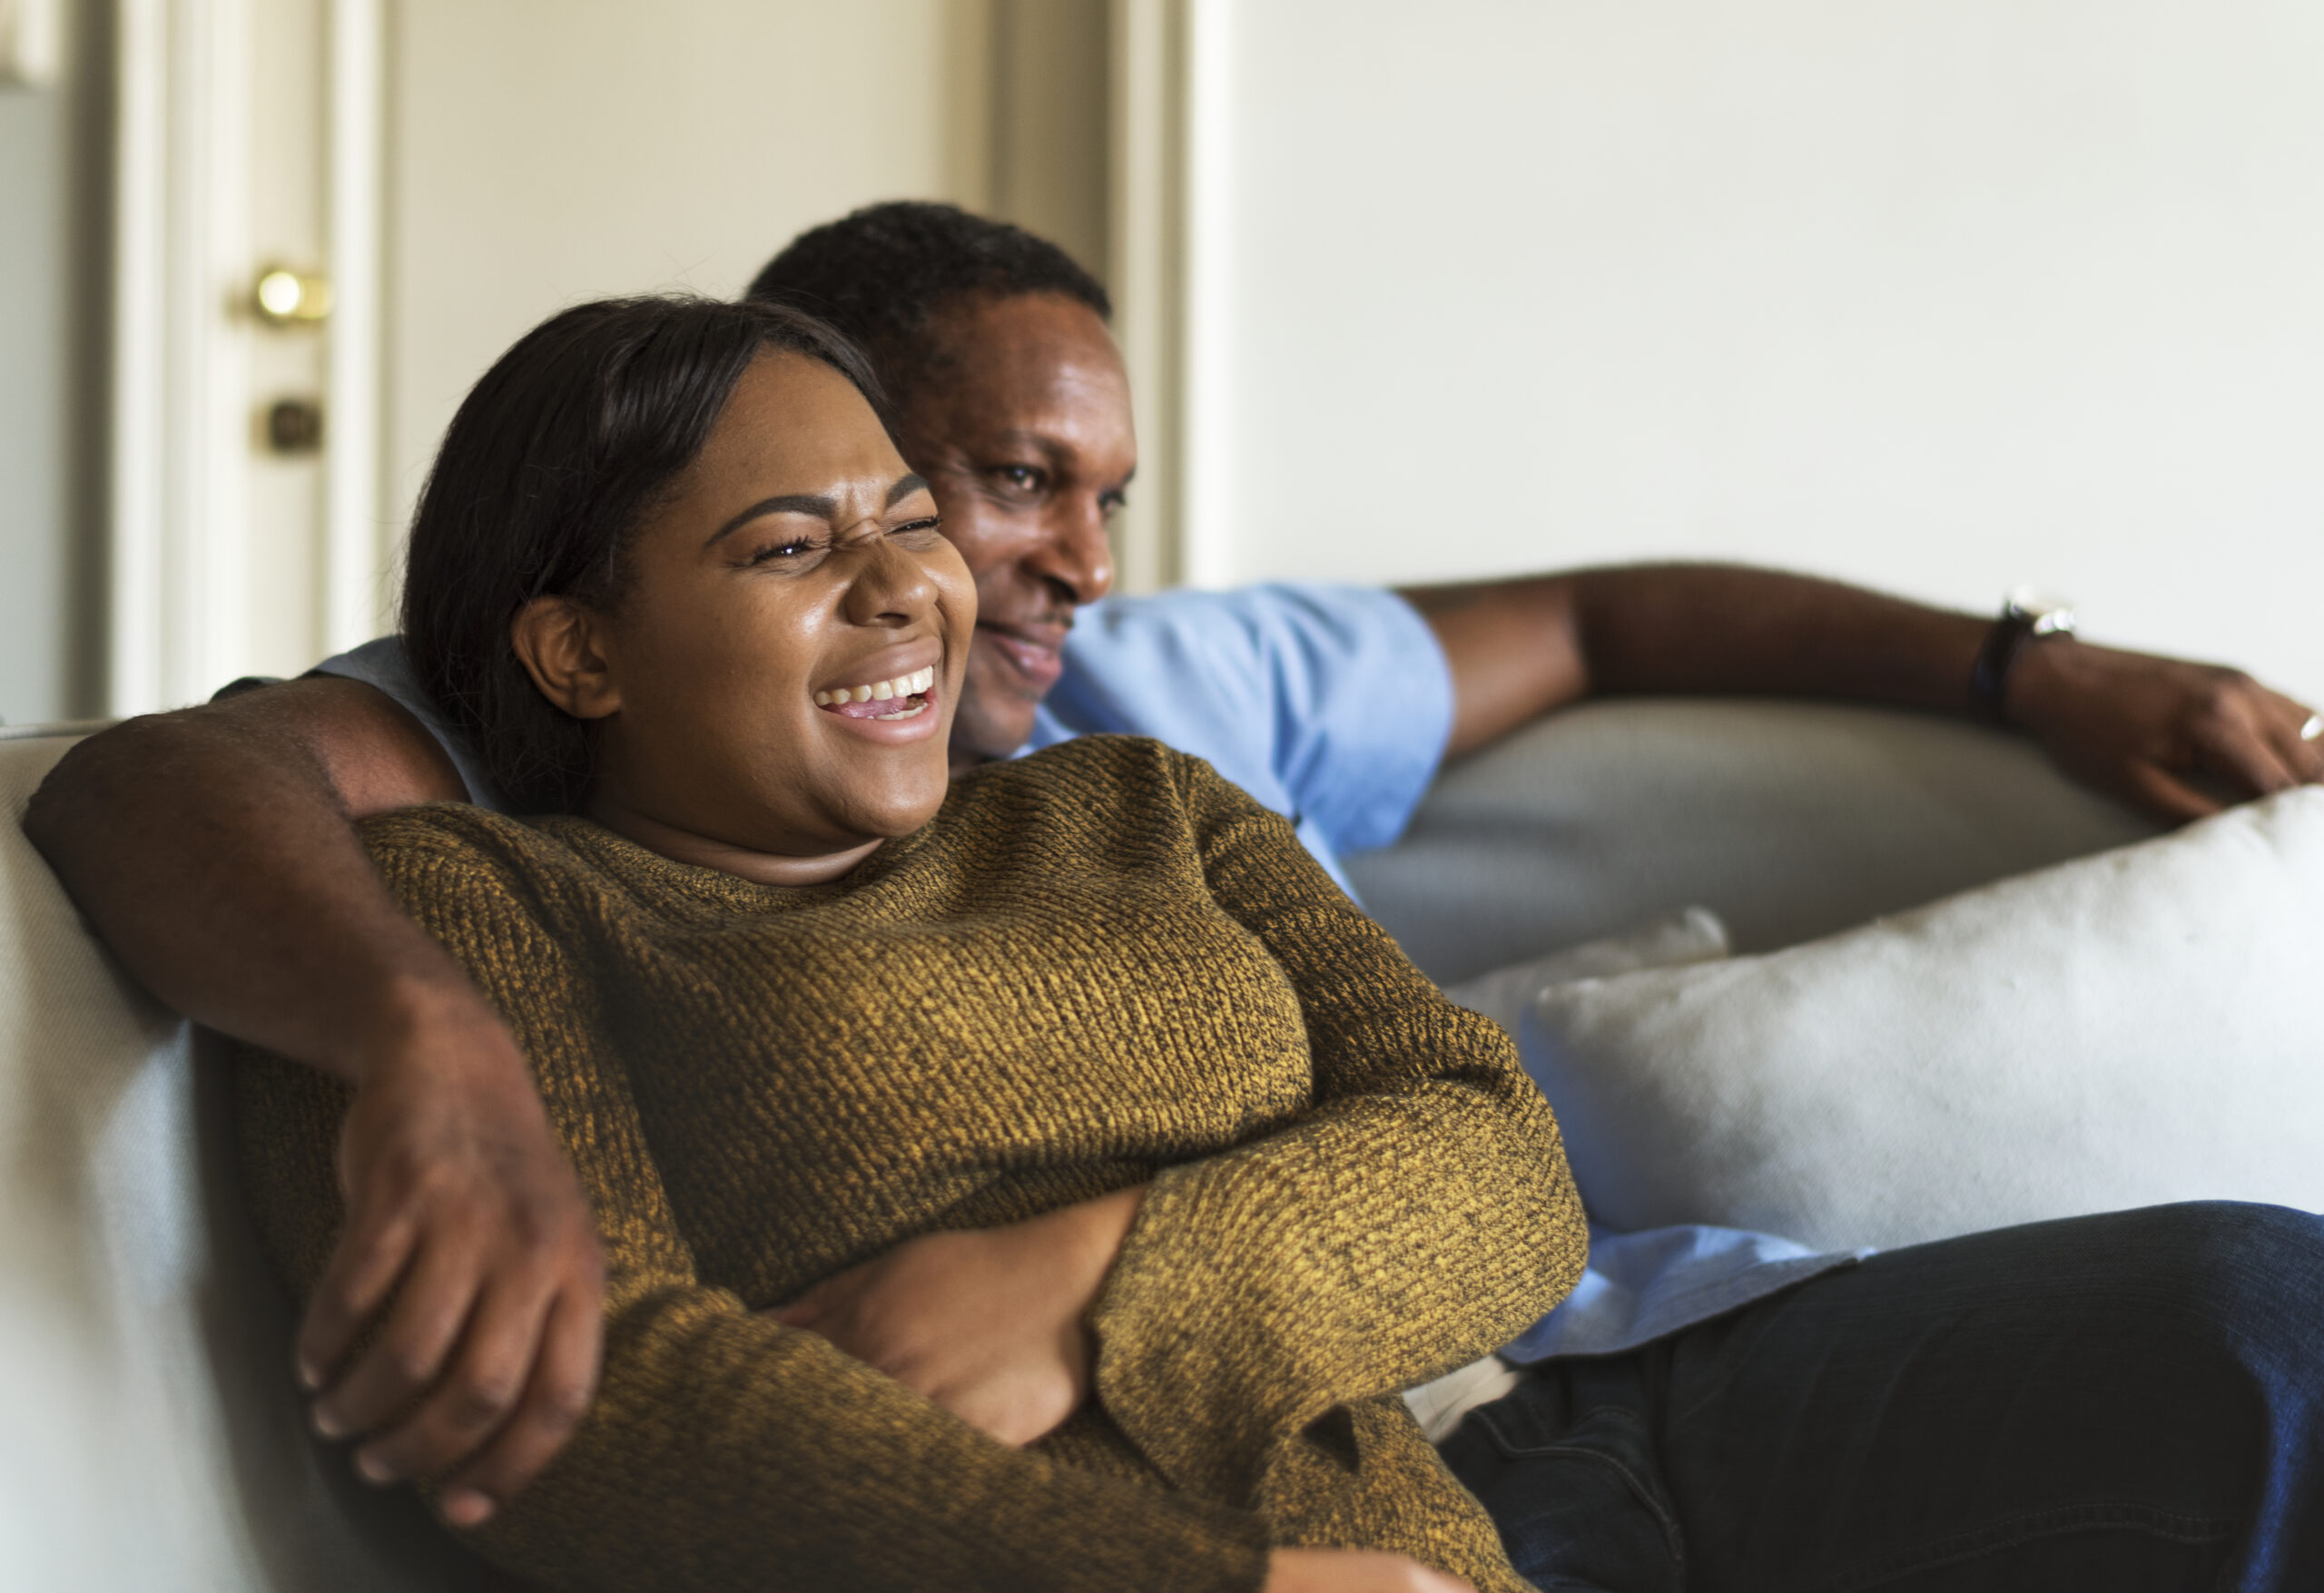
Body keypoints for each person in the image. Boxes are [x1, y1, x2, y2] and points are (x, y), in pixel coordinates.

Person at [23, 202, 2324, 1529]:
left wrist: (2030, 667)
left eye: (1028, 511)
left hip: (1575, 1357)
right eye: (994, 481)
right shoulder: (515, 810)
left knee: (2259, 1313)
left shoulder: (1160, 748)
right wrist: (412, 1032)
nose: (1051, 572)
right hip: (1284, 1506)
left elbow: (1600, 673)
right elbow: (147, 780)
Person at [241, 291, 1581, 1593]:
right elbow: (581, 1410)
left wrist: (1092, 1294)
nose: (903, 591)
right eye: (789, 548)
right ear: (580, 654)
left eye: (918, 523)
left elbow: (1506, 1165)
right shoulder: (470, 902)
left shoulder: (1141, 805)